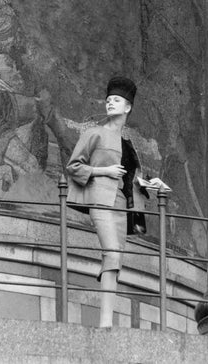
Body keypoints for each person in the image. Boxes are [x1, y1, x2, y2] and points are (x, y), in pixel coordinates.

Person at [66, 76, 147, 327]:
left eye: (117, 100)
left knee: (115, 260)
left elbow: (132, 178)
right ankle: (104, 322)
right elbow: (73, 166)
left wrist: (149, 185)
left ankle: (107, 320)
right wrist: (104, 171)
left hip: (121, 204)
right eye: (109, 100)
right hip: (100, 199)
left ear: (128, 107)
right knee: (111, 252)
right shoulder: (94, 133)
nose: (110, 103)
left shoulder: (129, 145)